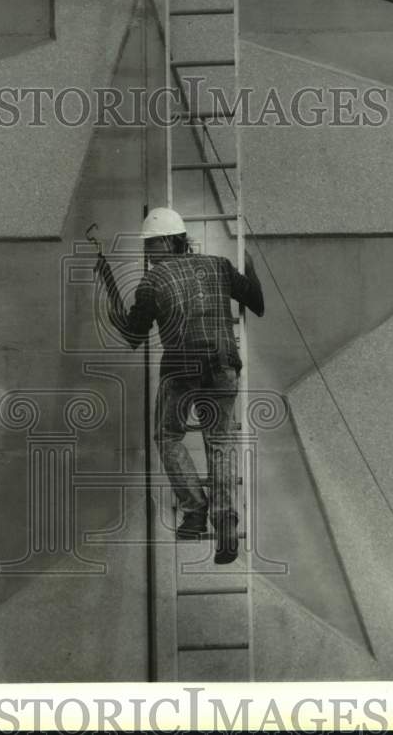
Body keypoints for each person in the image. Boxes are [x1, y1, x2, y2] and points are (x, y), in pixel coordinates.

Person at [106, 207, 264, 564]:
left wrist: (113, 303)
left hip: (180, 369)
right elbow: (257, 303)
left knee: (167, 435)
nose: (147, 254)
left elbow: (133, 336)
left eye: (151, 245)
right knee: (221, 441)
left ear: (167, 242)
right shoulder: (219, 266)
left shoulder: (152, 281)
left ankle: (194, 511)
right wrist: (250, 264)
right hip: (223, 365)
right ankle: (225, 521)